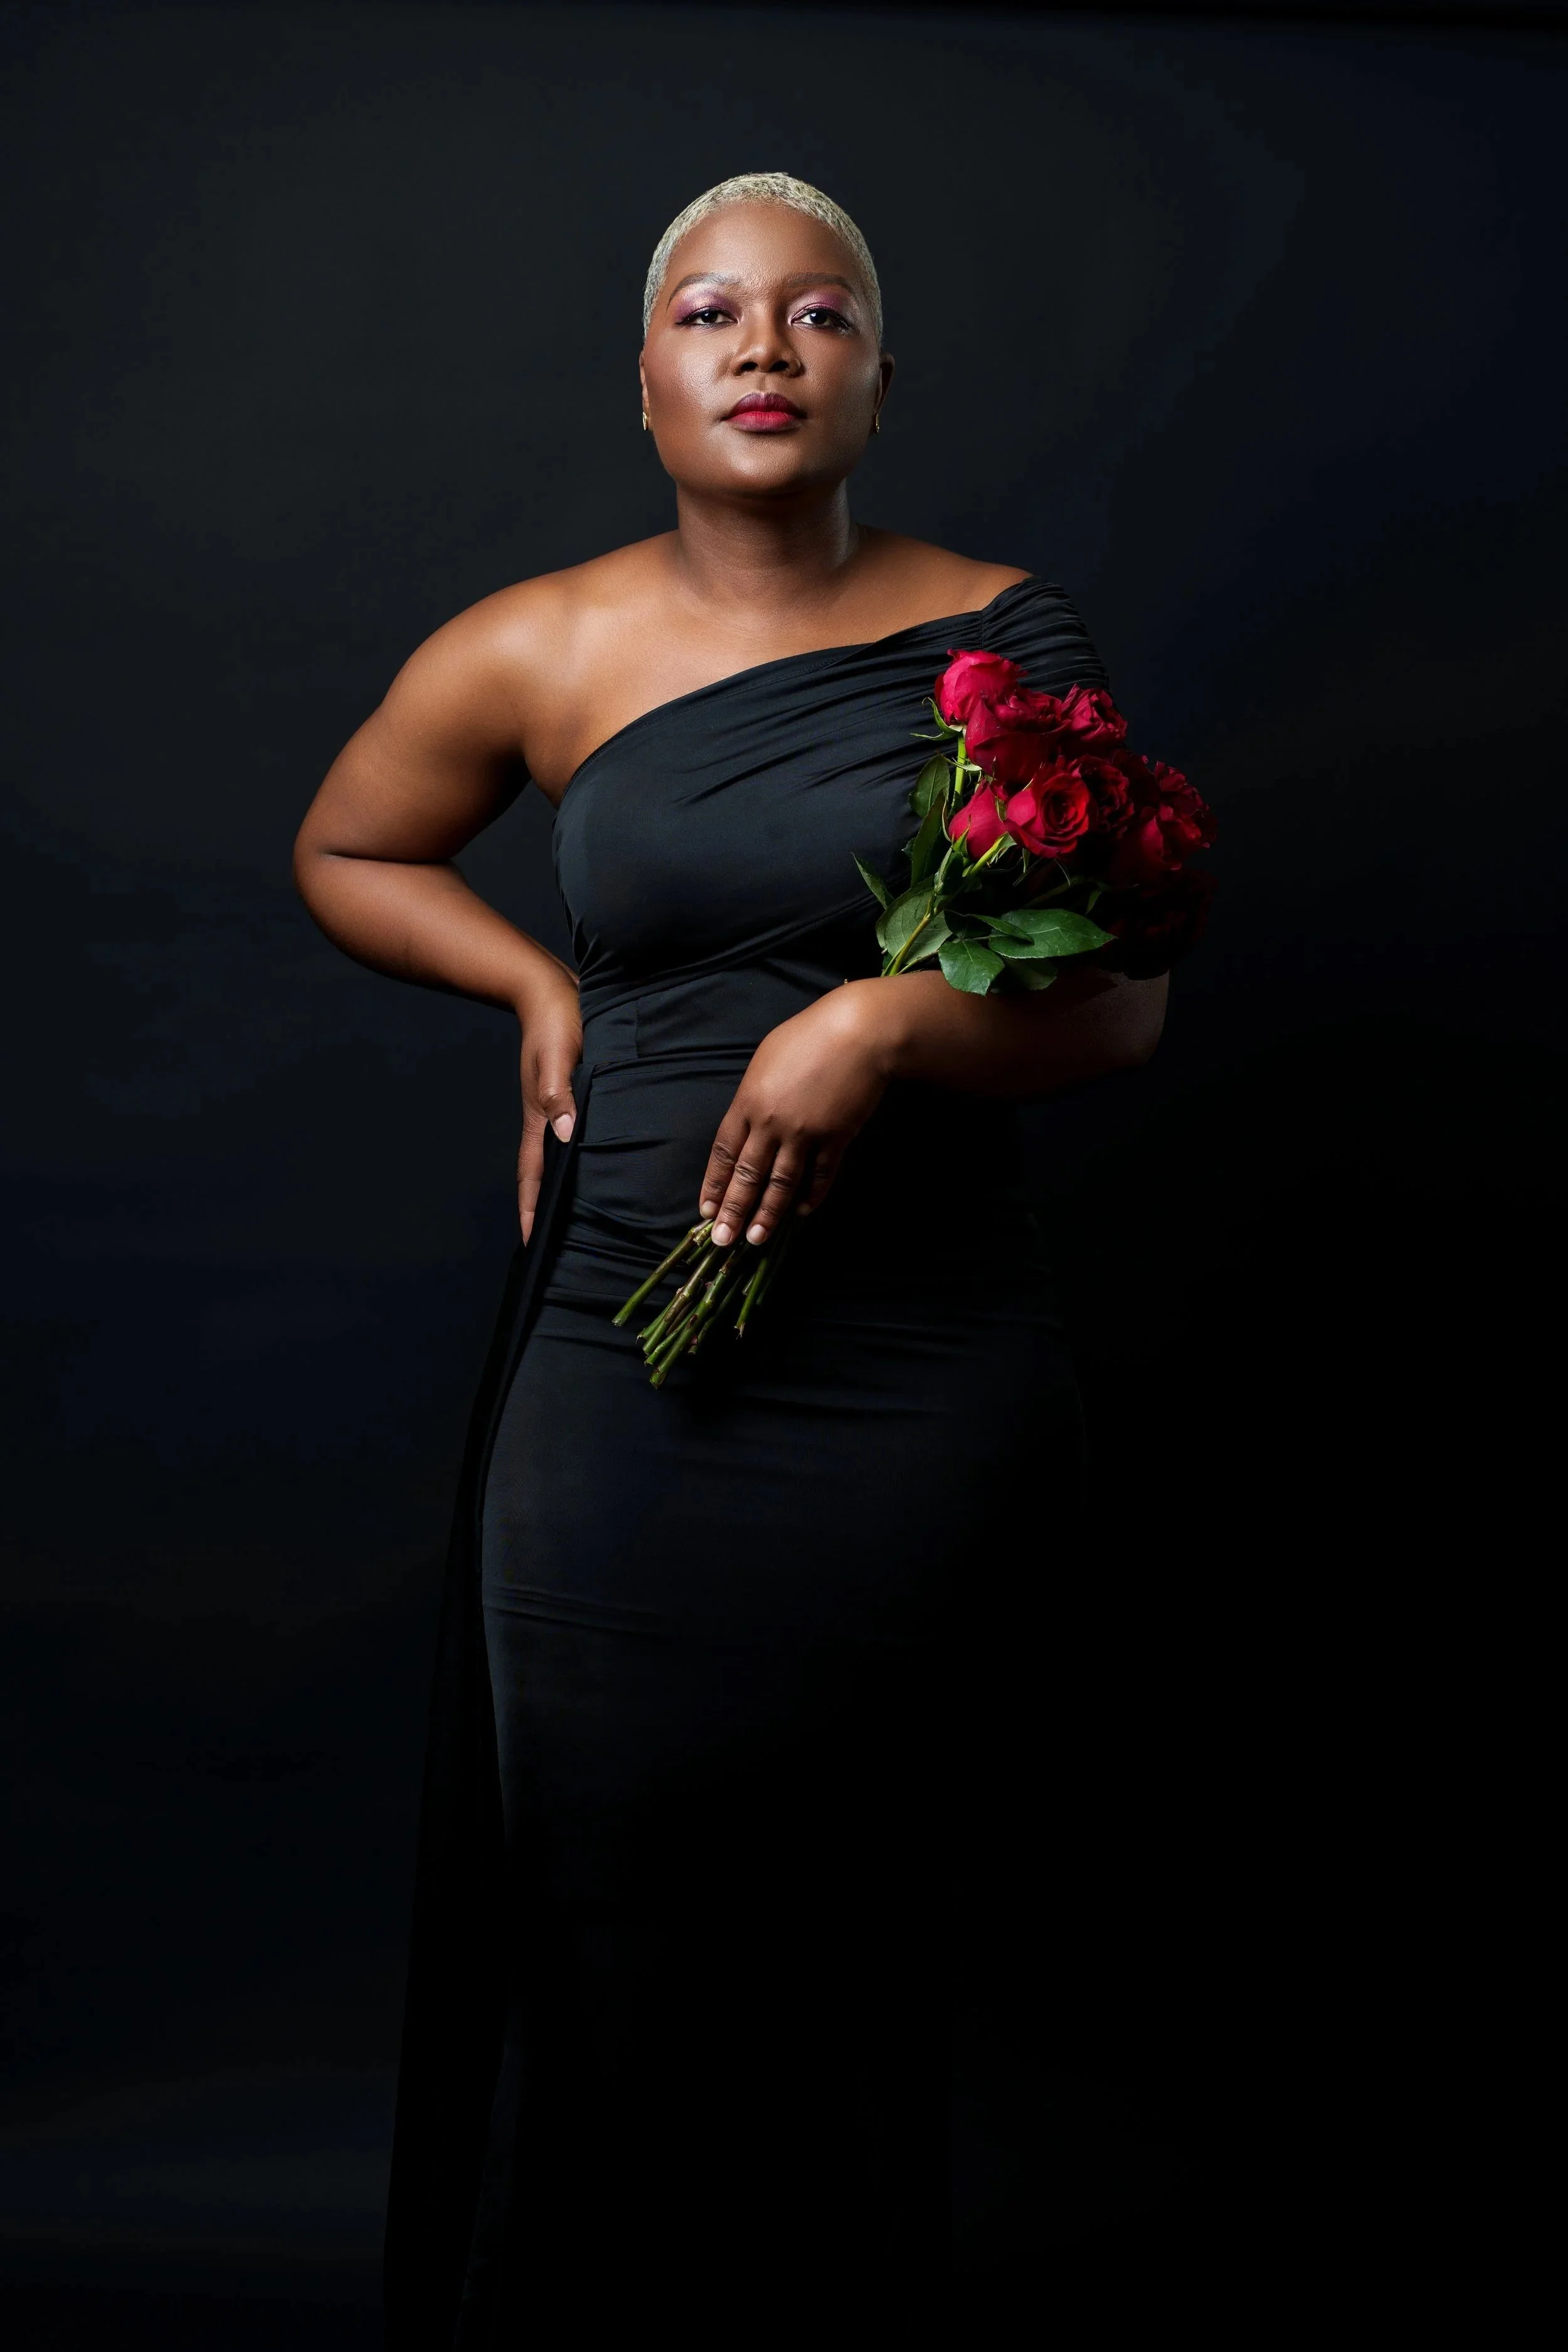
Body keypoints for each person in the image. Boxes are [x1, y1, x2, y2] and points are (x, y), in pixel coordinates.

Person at [295, 171, 1167, 2346]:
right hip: (624, 1360)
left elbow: (1118, 1002)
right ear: (651, 380)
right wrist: (528, 988)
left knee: (868, 1921)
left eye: (816, 315)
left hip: (927, 1363)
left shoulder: (1006, 632)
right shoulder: (545, 640)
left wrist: (873, 1023)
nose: (763, 346)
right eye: (710, 313)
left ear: (876, 377)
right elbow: (348, 842)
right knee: (612, 1920)